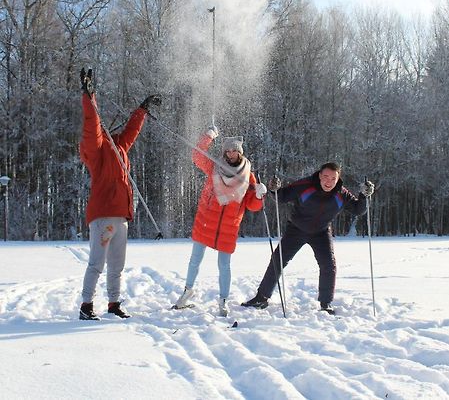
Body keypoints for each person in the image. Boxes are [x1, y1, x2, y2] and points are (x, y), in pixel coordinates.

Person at [78, 68, 160, 320]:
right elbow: (92, 126)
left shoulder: (120, 146)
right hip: (103, 216)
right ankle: (86, 305)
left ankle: (113, 304)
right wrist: (89, 96)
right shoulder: (97, 150)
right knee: (97, 263)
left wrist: (142, 109)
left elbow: (132, 130)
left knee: (117, 265)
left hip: (121, 217)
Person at [242, 162, 374, 315]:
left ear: (338, 179)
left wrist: (364, 195)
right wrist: (273, 188)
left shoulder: (341, 193)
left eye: (333, 178)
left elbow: (358, 210)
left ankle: (326, 303)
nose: (328, 182)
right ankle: (262, 297)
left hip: (321, 232)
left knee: (328, 266)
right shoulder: (306, 185)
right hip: (296, 229)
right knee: (277, 260)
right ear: (319, 175)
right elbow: (282, 196)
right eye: (325, 177)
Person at [173, 127, 267, 316]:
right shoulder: (214, 166)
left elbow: (252, 206)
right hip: (205, 221)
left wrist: (258, 195)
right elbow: (197, 155)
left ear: (241, 152)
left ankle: (223, 300)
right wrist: (208, 137)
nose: (231, 153)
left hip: (228, 227)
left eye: (235, 150)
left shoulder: (248, 175)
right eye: (228, 150)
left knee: (224, 266)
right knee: (195, 260)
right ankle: (187, 292)